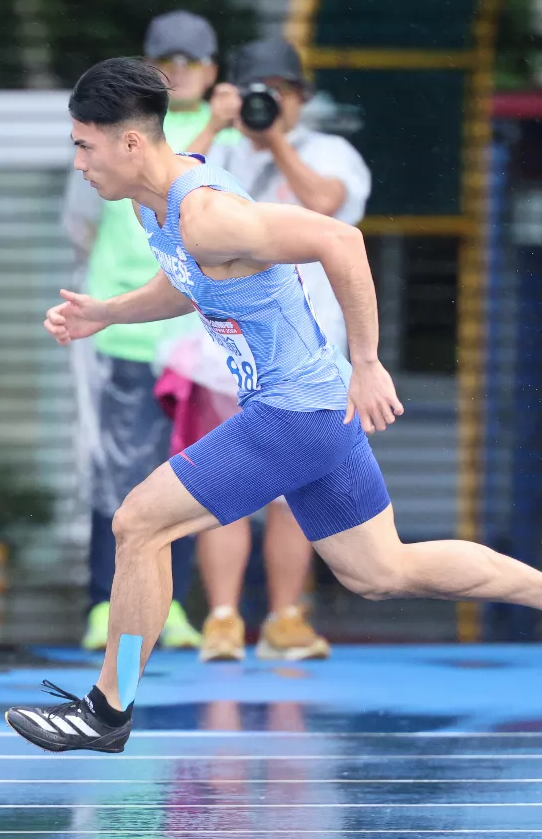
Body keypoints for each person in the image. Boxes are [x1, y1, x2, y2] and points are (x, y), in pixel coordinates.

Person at [5, 57, 542, 754]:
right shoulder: (155, 207)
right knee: (381, 571)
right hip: (315, 414)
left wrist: (369, 364)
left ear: (130, 142)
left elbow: (339, 239)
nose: (78, 163)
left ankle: (107, 710)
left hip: (293, 413)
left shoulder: (207, 213)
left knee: (139, 523)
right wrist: (108, 311)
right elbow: (188, 279)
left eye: (84, 146)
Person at [158, 38, 371, 662]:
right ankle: (222, 619)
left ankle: (283, 617)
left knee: (290, 496)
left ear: (302, 97)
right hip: (224, 357)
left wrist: (274, 139)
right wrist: (215, 122)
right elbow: (165, 194)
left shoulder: (331, 152)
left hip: (306, 356)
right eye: (258, 92)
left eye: (281, 92)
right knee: (220, 490)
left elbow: (328, 206)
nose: (269, 103)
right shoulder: (214, 151)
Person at [63, 11, 240, 652]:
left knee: (188, 475)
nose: (180, 72)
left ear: (214, 69)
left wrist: (223, 123)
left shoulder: (231, 132)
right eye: (167, 61)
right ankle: (102, 603)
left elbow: (210, 190)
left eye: (192, 62)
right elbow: (80, 223)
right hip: (125, 335)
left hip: (197, 341)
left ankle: (172, 607)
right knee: (115, 470)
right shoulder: (115, 128)